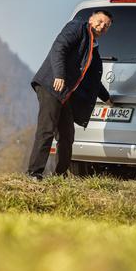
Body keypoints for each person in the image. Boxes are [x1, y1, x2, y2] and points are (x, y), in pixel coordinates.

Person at [26, 10, 113, 180]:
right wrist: (59, 75)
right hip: (51, 86)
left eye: (106, 25)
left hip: (64, 93)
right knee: (46, 130)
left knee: (67, 135)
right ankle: (34, 173)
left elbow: (93, 78)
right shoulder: (77, 27)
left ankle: (60, 175)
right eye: (100, 21)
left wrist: (106, 97)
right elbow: (59, 48)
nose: (102, 26)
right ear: (91, 19)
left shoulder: (92, 47)